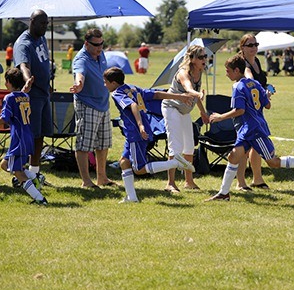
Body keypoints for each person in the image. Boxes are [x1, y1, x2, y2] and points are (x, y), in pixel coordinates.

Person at [207, 54, 294, 201]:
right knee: (233, 156)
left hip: (254, 130)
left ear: (236, 71)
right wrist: (265, 95)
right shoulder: (255, 84)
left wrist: (219, 117)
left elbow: (240, 110)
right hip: (247, 130)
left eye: (228, 70)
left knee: (273, 162)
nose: (226, 73)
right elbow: (267, 105)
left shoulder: (238, 86)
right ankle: (223, 194)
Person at [104, 67, 196, 203]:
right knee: (124, 162)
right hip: (137, 133)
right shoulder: (132, 88)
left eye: (105, 82)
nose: (104, 85)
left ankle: (175, 162)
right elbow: (156, 95)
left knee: (139, 169)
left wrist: (140, 126)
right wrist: (179, 96)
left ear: (113, 83)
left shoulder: (117, 93)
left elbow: (133, 105)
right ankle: (131, 197)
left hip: (136, 133)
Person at [0, 68, 47, 204]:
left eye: (6, 81)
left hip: (19, 138)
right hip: (27, 135)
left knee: (18, 172)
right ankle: (35, 177)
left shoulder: (9, 97)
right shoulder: (25, 96)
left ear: (9, 82)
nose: (5, 84)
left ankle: (39, 199)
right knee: (5, 165)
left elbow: (4, 119)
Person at [70, 28, 116, 188]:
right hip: (87, 105)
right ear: (86, 43)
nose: (99, 48)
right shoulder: (81, 59)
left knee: (103, 144)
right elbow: (79, 73)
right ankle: (86, 181)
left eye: (101, 44)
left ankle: (102, 178)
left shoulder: (100, 54)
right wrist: (79, 84)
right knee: (84, 144)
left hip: (103, 104)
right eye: (96, 45)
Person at [161, 45, 209, 192]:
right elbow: (188, 89)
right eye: (201, 57)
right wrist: (198, 94)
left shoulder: (199, 71)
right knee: (175, 146)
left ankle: (189, 182)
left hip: (184, 111)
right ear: (192, 59)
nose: (204, 59)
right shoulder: (183, 72)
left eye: (205, 56)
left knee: (189, 146)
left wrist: (203, 112)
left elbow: (195, 95)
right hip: (171, 108)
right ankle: (170, 183)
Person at [13, 9, 52, 175]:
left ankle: (34, 172)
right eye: (42, 23)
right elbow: (23, 65)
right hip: (32, 95)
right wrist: (28, 79)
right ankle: (11, 164)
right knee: (30, 135)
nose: (45, 27)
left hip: (44, 94)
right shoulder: (23, 43)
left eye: (47, 24)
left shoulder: (41, 37)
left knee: (40, 135)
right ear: (32, 22)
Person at [237, 34, 272, 190]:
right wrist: (263, 92)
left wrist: (267, 90)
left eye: (255, 44)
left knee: (256, 145)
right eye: (250, 45)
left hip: (257, 110)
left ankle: (257, 179)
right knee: (243, 148)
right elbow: (250, 80)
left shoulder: (256, 61)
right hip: (245, 111)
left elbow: (259, 83)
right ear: (242, 47)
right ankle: (240, 182)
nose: (254, 48)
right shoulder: (243, 63)